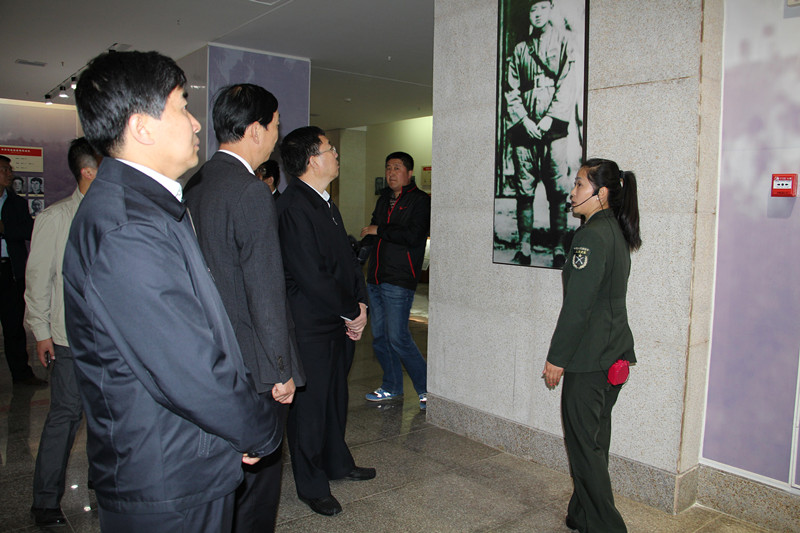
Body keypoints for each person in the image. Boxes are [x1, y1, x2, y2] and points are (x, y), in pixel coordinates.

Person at [63, 50, 282, 533]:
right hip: (168, 473)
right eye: (182, 107)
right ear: (142, 127)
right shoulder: (128, 227)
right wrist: (257, 427)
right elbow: (187, 365)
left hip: (181, 457)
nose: (196, 123)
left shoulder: (148, 206)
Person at [185, 83, 304, 533]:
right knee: (258, 487)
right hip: (255, 365)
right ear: (255, 129)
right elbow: (264, 290)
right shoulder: (250, 192)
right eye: (275, 126)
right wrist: (280, 370)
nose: (276, 135)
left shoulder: (195, 184)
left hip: (211, 358)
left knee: (225, 484)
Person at [277, 126, 373, 516]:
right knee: (310, 409)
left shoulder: (325, 202)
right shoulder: (292, 207)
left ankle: (337, 462)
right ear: (311, 160)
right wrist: (351, 311)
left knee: (335, 397)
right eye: (330, 149)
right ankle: (312, 485)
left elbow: (347, 262)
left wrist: (360, 305)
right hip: (311, 326)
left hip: (338, 320)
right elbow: (311, 275)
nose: (336, 154)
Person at [542, 158, 641, 533]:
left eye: (580, 184)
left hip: (590, 358)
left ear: (601, 194)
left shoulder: (591, 237)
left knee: (585, 448)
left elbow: (578, 306)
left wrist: (557, 358)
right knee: (594, 442)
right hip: (613, 353)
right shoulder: (614, 230)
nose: (572, 192)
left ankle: (606, 526)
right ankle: (581, 514)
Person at [25, 137, 100, 527]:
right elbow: (38, 281)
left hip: (109, 341)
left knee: (105, 418)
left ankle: (101, 485)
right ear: (87, 171)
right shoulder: (55, 219)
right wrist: (41, 332)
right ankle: (44, 501)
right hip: (69, 339)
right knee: (65, 417)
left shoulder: (113, 214)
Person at [505, 0, 577, 267]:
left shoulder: (563, 41)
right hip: (525, 128)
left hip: (553, 128)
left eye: (542, 8)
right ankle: (524, 247)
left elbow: (567, 81)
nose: (537, 14)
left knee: (557, 191)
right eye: (532, 9)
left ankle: (558, 249)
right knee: (524, 191)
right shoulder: (520, 49)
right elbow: (511, 89)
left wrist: (549, 118)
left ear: (551, 9)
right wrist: (524, 119)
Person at [360, 151, 430, 410]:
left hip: (399, 278)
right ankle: (391, 386)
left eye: (397, 168)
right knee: (379, 337)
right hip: (376, 276)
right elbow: (372, 230)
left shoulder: (420, 201)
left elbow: (413, 236)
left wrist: (380, 230)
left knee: (398, 336)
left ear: (409, 173)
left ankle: (426, 389)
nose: (391, 173)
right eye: (388, 168)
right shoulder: (383, 200)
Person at [0, 155, 45, 386]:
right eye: (4, 170)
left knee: (14, 327)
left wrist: (5, 229)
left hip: (10, 271)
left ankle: (22, 375)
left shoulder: (17, 203)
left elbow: (28, 231)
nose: (10, 174)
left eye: (10, 170)